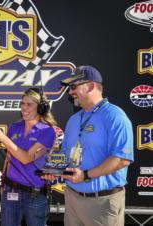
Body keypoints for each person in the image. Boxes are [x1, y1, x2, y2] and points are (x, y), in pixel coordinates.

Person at [43, 65, 134, 226]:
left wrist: (85, 175)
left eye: (73, 87)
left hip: (102, 202)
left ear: (91, 86)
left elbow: (122, 159)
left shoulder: (115, 116)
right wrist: (53, 170)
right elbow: (66, 153)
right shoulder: (74, 119)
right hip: (72, 198)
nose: (70, 92)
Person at [0, 88, 57, 226]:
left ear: (41, 107)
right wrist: (3, 181)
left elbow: (26, 158)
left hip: (35, 194)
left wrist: (4, 139)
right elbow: (9, 156)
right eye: (22, 103)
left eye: (29, 104)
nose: (24, 108)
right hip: (11, 190)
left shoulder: (47, 131)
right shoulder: (14, 127)